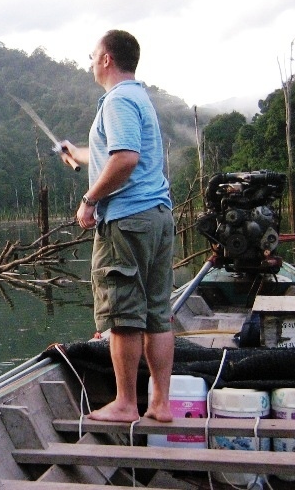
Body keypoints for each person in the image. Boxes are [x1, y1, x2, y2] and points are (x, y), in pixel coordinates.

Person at [60, 30, 175, 423]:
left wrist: (90, 200)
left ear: (107, 58)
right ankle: (160, 404)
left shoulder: (118, 99)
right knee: (157, 313)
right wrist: (76, 152)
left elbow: (124, 160)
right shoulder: (137, 97)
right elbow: (115, 154)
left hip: (129, 221)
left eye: (93, 55)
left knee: (124, 314)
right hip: (156, 215)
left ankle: (125, 404)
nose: (90, 61)